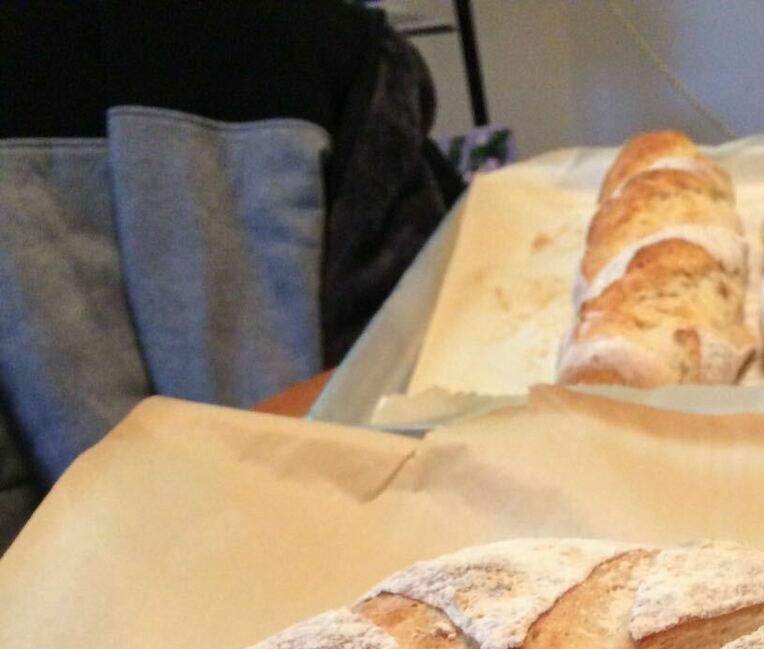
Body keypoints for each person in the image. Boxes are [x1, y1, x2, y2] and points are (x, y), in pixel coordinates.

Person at [0, 0, 462, 548]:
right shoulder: (319, 43)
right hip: (362, 555)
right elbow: (423, 373)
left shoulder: (327, 47)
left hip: (66, 596)